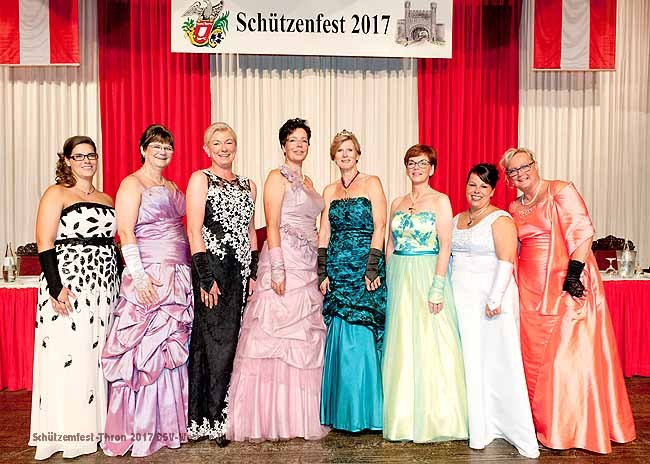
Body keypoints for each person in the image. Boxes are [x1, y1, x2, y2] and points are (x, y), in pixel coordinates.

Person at [501, 147, 636, 453]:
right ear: (508, 178)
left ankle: (571, 427)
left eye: (524, 166)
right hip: (530, 288)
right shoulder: (513, 206)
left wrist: (574, 274)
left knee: (566, 355)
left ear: (535, 165)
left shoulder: (560, 190)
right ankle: (539, 423)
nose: (520, 173)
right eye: (513, 171)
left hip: (565, 283)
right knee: (534, 357)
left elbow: (583, 232)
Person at [227, 118, 329, 442]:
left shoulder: (310, 181)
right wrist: (278, 269)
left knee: (303, 340)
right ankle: (270, 416)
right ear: (283, 145)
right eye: (293, 140)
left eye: (304, 140)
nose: (299, 145)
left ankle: (298, 415)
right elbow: (271, 224)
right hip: (283, 261)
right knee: (274, 337)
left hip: (308, 265)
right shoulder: (275, 177)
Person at [101, 124, 193, 456]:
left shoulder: (172, 186)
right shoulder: (132, 183)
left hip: (178, 273)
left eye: (168, 146)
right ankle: (140, 428)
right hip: (150, 274)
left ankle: (168, 426)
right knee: (145, 349)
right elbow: (125, 231)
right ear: (143, 149)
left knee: (171, 348)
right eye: (156, 146)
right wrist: (139, 279)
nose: (163, 151)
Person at [30, 136, 119, 460]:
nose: (86, 161)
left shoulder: (107, 198)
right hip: (70, 287)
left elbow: (113, 243)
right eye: (79, 156)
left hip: (104, 288)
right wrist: (55, 287)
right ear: (67, 160)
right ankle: (69, 433)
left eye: (91, 155)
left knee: (98, 356)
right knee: (71, 355)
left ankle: (98, 428)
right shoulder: (56, 193)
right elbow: (44, 241)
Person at [450, 163, 538, 458]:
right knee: (471, 362)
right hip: (462, 300)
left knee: (499, 361)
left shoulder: (500, 220)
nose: (476, 191)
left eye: (483, 187)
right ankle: (480, 426)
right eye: (472, 184)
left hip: (491, 302)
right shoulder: (457, 219)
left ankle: (509, 426)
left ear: (493, 191)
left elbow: (506, 260)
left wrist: (494, 298)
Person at [382, 144, 468, 442]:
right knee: (402, 341)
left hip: (427, 271)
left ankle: (438, 417)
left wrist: (438, 285)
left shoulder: (440, 200)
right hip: (400, 273)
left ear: (432, 168)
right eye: (411, 163)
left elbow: (446, 245)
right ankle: (404, 417)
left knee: (433, 339)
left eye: (422, 163)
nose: (416, 167)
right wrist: (389, 277)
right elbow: (390, 244)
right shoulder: (397, 201)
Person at [185, 122, 258, 446]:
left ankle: (229, 415)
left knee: (235, 343)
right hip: (212, 271)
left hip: (239, 273)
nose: (224, 148)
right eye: (217, 143)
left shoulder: (248, 185)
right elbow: (194, 230)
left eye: (229, 142)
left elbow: (251, 232)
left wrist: (253, 273)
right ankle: (208, 419)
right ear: (206, 149)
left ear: (236, 146)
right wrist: (205, 277)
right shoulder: (200, 179)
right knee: (213, 343)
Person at [317, 129, 386, 432]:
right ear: (333, 157)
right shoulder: (329, 190)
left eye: (350, 150)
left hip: (363, 267)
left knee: (361, 335)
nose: (345, 155)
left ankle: (365, 411)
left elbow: (380, 225)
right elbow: (324, 232)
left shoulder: (372, 183)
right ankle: (342, 412)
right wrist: (322, 271)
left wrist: (372, 267)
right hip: (337, 267)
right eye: (340, 151)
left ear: (358, 154)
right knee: (340, 336)